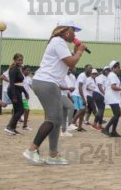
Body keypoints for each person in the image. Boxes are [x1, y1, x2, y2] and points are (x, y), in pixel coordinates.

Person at [23, 19, 86, 165]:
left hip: (49, 83)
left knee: (56, 119)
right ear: (67, 31)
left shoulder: (59, 43)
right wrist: (80, 51)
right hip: (46, 82)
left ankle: (53, 154)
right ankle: (31, 150)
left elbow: (70, 63)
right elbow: (71, 62)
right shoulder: (58, 42)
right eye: (74, 31)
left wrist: (76, 52)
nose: (75, 35)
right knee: (53, 119)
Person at [4, 53, 29, 135]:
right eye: (19, 60)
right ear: (14, 60)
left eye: (22, 60)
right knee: (21, 110)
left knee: (17, 110)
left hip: (18, 90)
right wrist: (14, 95)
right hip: (13, 91)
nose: (21, 61)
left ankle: (12, 128)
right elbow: (12, 83)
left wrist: (25, 92)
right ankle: (10, 127)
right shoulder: (13, 69)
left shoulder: (18, 69)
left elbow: (20, 83)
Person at [102, 61, 121, 137]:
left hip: (113, 97)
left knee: (117, 114)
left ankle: (113, 131)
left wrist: (120, 91)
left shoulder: (113, 75)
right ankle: (106, 129)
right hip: (112, 97)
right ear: (113, 68)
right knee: (117, 114)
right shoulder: (112, 75)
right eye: (118, 67)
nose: (119, 69)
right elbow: (113, 87)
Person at [72, 64, 92, 132]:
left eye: (91, 68)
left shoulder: (86, 77)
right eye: (89, 68)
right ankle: (72, 124)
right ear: (85, 68)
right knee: (81, 109)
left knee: (83, 111)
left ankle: (80, 127)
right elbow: (80, 87)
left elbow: (83, 88)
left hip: (82, 95)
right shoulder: (82, 75)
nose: (91, 69)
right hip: (78, 95)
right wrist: (83, 99)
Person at [59, 69, 76, 138]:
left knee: (64, 114)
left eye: (70, 70)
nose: (70, 71)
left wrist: (70, 96)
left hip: (64, 95)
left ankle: (63, 131)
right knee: (71, 107)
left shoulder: (67, 77)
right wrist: (69, 88)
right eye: (68, 69)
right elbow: (58, 86)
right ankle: (69, 123)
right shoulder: (61, 75)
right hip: (60, 95)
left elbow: (67, 89)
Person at [22, 66, 33, 131]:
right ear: (23, 70)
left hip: (24, 97)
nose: (28, 72)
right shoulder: (20, 77)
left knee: (26, 110)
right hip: (19, 96)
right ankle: (24, 125)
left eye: (29, 70)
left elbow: (32, 87)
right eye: (27, 70)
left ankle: (24, 125)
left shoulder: (29, 79)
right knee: (26, 110)